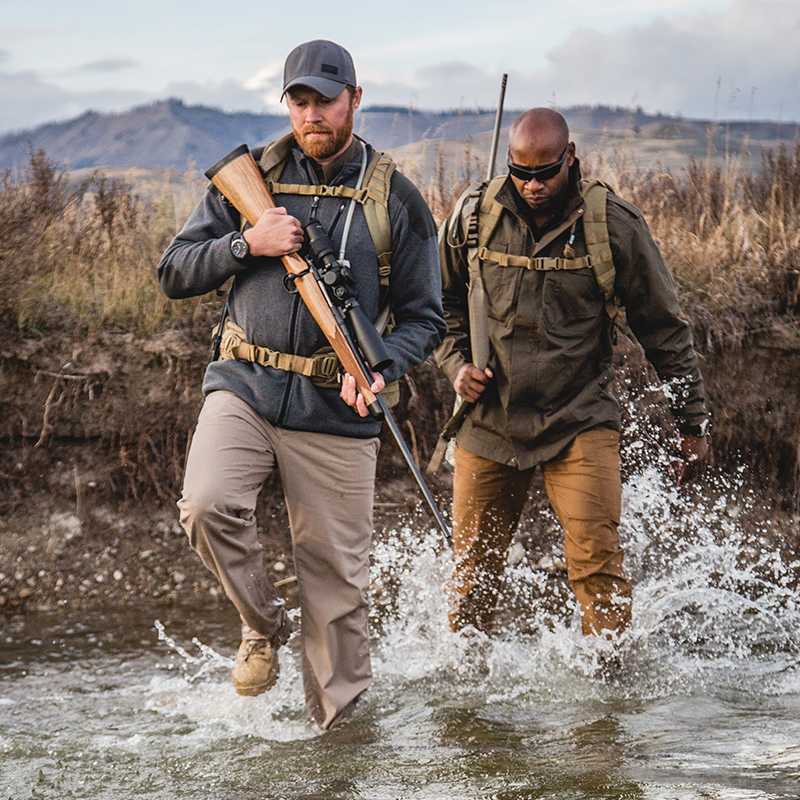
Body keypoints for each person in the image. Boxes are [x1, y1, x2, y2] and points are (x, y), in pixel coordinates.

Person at [157, 40, 445, 729]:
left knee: (338, 598)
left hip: (337, 411)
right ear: (288, 103)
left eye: (326, 99)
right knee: (206, 504)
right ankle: (262, 624)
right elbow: (173, 272)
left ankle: (338, 753)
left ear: (355, 100)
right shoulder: (246, 178)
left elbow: (425, 319)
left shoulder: (394, 198)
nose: (312, 114)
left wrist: (379, 368)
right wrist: (244, 245)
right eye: (300, 101)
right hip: (244, 387)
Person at [434, 107, 709, 642]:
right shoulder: (472, 217)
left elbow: (665, 330)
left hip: (579, 419)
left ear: (571, 156)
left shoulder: (614, 227)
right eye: (521, 172)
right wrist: (455, 366)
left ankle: (605, 707)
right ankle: (464, 706)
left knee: (598, 572)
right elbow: (435, 305)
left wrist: (694, 425)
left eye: (546, 172)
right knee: (471, 584)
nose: (533, 186)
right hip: (490, 423)